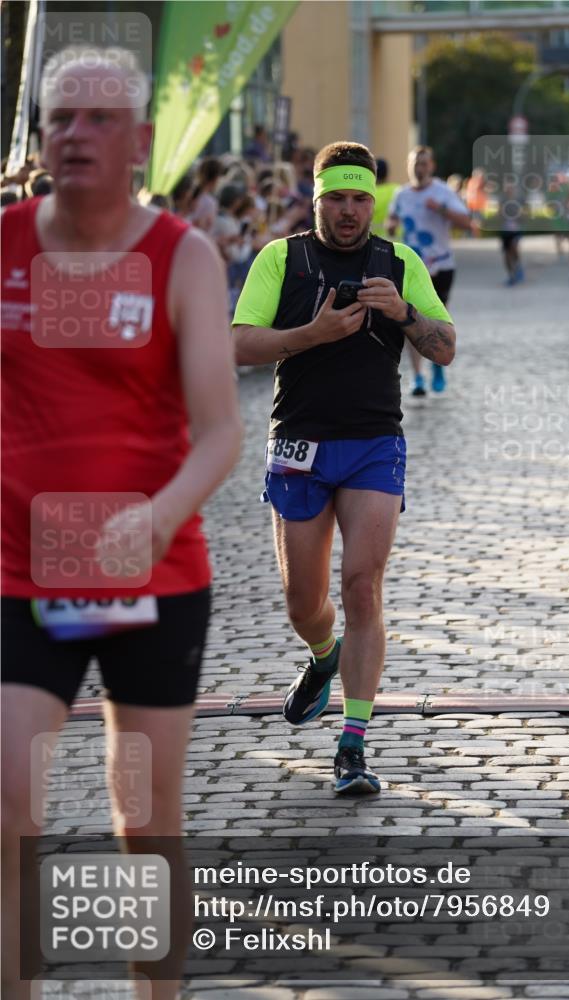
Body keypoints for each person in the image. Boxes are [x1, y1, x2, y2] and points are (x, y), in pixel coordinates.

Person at [1, 46, 242, 1000]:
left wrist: (159, 515)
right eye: (62, 117)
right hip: (19, 569)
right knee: (10, 799)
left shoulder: (180, 257)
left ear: (141, 141)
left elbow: (220, 431)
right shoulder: (5, 242)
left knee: (143, 817)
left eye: (100, 119)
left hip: (154, 574)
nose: (76, 133)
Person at [232, 141, 456, 795]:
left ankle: (353, 744)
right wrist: (311, 334)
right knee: (304, 601)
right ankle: (321, 654)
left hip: (372, 443)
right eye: (338, 198)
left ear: (373, 201)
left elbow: (444, 349)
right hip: (299, 442)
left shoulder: (397, 261)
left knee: (362, 586)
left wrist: (405, 313)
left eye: (361, 198)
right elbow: (239, 343)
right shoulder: (283, 258)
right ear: (316, 198)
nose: (351, 211)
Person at [387, 145, 474, 397]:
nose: (419, 167)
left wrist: (441, 209)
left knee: (434, 319)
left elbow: (467, 222)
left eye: (424, 163)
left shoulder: (442, 192)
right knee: (411, 318)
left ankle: (437, 364)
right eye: (415, 162)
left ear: (431, 166)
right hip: (412, 268)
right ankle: (417, 377)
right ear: (408, 165)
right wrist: (392, 225)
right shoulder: (401, 194)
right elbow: (392, 219)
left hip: (441, 265)